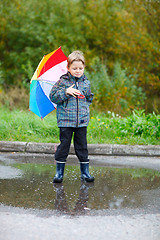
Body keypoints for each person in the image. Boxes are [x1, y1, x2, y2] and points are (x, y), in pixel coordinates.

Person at [49, 50, 94, 183]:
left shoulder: (86, 82)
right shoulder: (62, 81)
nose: (78, 71)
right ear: (68, 68)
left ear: (84, 67)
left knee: (82, 146)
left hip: (81, 121)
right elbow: (53, 96)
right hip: (65, 121)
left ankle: (85, 172)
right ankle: (59, 173)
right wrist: (66, 92)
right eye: (74, 68)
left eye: (80, 68)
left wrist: (84, 98)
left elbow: (89, 98)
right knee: (64, 145)